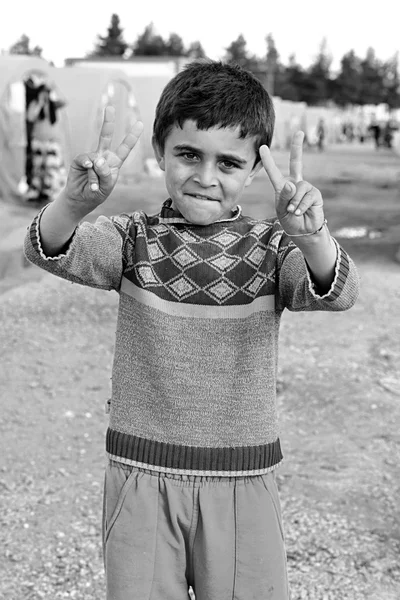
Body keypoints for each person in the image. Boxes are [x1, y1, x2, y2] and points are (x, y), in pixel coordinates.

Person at [24, 60, 360, 600]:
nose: (206, 176)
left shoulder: (273, 249)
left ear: (253, 170)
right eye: (188, 154)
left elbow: (336, 291)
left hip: (243, 481)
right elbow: (51, 249)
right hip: (141, 477)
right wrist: (74, 203)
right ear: (160, 151)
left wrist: (313, 237)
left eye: (228, 162)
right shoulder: (131, 240)